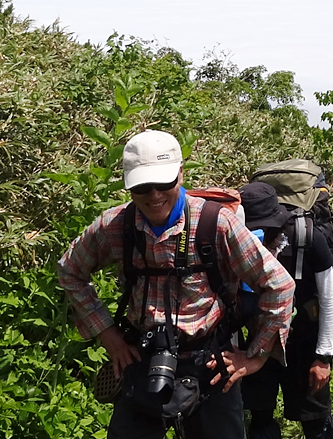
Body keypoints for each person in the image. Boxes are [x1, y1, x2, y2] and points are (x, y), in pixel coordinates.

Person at [58, 130, 295, 439]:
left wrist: (254, 356)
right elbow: (70, 270)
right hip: (142, 360)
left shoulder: (216, 223)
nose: (154, 195)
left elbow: (278, 285)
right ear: (128, 183)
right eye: (143, 185)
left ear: (180, 174)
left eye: (164, 182)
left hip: (211, 364)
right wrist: (110, 337)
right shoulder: (117, 225)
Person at [239, 182, 333, 439]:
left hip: (304, 343)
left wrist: (323, 358)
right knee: (260, 418)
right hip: (256, 341)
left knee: (314, 420)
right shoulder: (234, 243)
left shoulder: (308, 238)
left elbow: (329, 297)